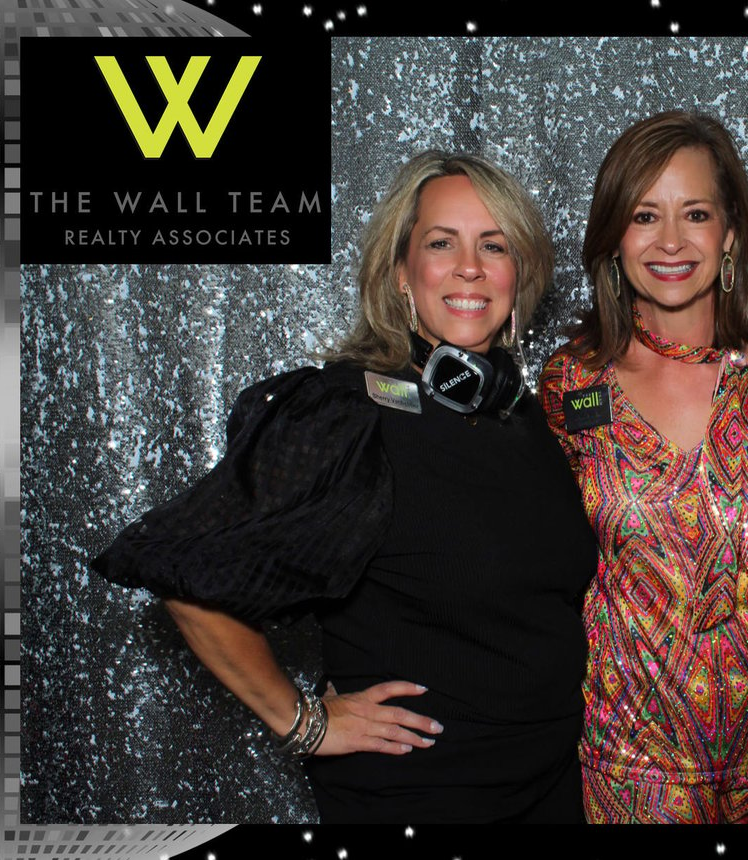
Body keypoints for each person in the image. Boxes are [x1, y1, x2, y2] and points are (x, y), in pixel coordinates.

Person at [92, 151, 597, 823]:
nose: (470, 267)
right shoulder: (343, 412)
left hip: (553, 790)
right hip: (425, 798)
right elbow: (187, 576)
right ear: (399, 274)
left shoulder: (524, 418)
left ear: (519, 273)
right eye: (441, 243)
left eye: (494, 245)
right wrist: (305, 722)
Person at [539, 111, 748, 823]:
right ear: (614, 238)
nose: (670, 242)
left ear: (729, 233)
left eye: (695, 214)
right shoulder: (572, 384)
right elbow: (516, 554)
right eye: (643, 216)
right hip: (630, 767)